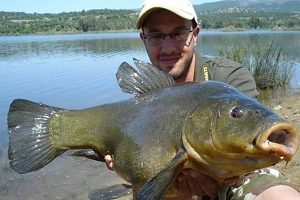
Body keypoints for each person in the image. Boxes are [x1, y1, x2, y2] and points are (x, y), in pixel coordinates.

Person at [104, 0, 300, 199]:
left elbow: (247, 147)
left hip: (235, 178)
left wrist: (214, 177)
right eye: (156, 36)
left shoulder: (231, 77)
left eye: (178, 33)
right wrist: (119, 151)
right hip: (163, 182)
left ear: (195, 34)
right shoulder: (146, 94)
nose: (169, 47)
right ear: (143, 39)